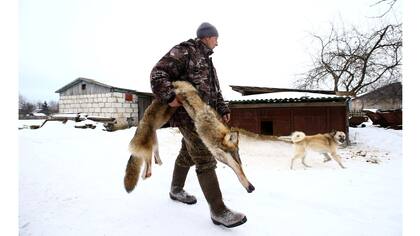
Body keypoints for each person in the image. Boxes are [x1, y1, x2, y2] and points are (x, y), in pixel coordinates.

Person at [150, 22, 247, 228]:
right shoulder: (185, 51)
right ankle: (219, 211)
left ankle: (176, 189)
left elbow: (215, 91)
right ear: (207, 36)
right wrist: (169, 96)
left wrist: (223, 109)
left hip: (206, 118)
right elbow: (158, 73)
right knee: (204, 157)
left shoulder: (208, 62)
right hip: (188, 116)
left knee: (187, 153)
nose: (217, 43)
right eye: (216, 38)